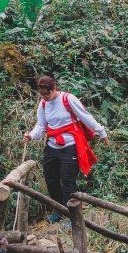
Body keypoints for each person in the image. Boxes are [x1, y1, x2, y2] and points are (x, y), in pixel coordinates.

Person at [23, 75, 108, 220]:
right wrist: (31, 135)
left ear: (54, 88)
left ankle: (72, 215)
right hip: (52, 146)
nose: (44, 97)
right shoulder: (43, 104)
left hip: (70, 145)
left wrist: (101, 131)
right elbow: (41, 125)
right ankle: (58, 210)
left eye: (47, 94)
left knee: (68, 179)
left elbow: (85, 116)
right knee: (51, 178)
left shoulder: (68, 99)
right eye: (41, 94)